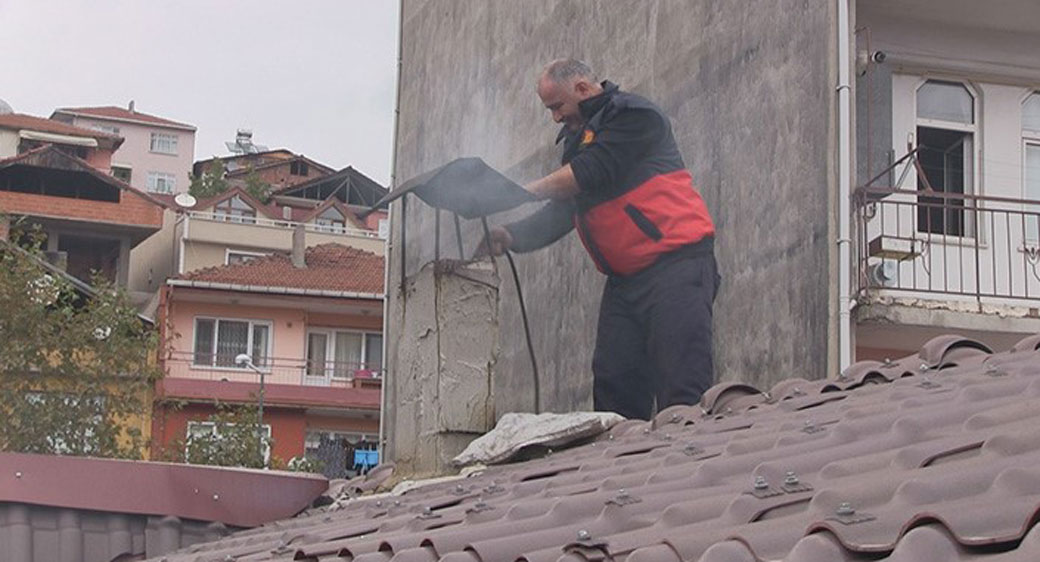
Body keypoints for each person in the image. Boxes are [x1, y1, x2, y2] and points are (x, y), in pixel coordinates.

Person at [480, 59, 720, 420]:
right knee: (614, 390)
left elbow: (590, 172)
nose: (555, 118)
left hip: (676, 267)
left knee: (681, 388)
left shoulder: (634, 115)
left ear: (581, 89)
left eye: (557, 107)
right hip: (625, 281)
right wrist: (512, 235)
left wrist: (519, 193)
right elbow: (567, 210)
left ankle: (690, 455)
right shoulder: (579, 139)